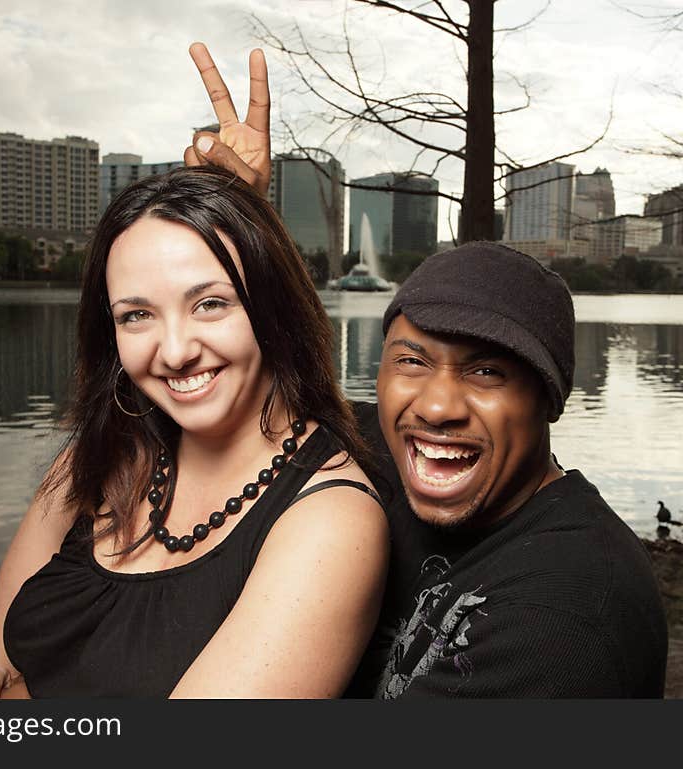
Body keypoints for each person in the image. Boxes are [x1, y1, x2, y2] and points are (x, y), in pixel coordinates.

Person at [186, 43, 668, 698]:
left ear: (549, 396)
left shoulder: (569, 612)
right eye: (412, 360)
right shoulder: (380, 457)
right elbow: (246, 386)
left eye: (487, 371)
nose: (437, 405)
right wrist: (239, 224)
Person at [0, 165, 389, 699]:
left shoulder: (332, 520)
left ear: (272, 305)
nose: (173, 352)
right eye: (136, 315)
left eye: (210, 304)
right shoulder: (93, 461)